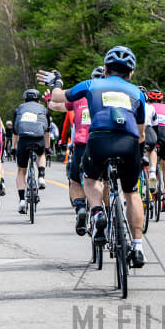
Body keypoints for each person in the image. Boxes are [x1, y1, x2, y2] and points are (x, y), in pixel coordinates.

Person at [41, 45, 147, 267]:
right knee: (132, 193)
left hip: (99, 140)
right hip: (128, 144)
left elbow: (58, 97)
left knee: (89, 179)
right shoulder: (137, 92)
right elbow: (141, 132)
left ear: (106, 69)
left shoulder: (91, 84)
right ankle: (137, 247)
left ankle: (98, 211)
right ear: (131, 73)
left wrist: (56, 82)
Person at [48, 66, 104, 235]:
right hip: (105, 141)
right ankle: (105, 212)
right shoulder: (113, 95)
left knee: (76, 181)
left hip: (82, 142)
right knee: (107, 181)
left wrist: (47, 100)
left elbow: (56, 106)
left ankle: (80, 207)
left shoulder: (81, 97)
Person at [11, 88, 51, 214]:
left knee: (21, 171)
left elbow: (15, 132)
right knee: (41, 154)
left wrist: (13, 148)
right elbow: (47, 131)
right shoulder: (44, 109)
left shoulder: (19, 109)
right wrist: (48, 148)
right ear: (39, 100)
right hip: (38, 138)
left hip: (24, 140)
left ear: (24, 99)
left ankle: (22, 200)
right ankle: (41, 176)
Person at [147, 89, 165, 211]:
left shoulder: (147, 107)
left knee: (149, 162)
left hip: (152, 133)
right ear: (161, 99)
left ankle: (152, 193)